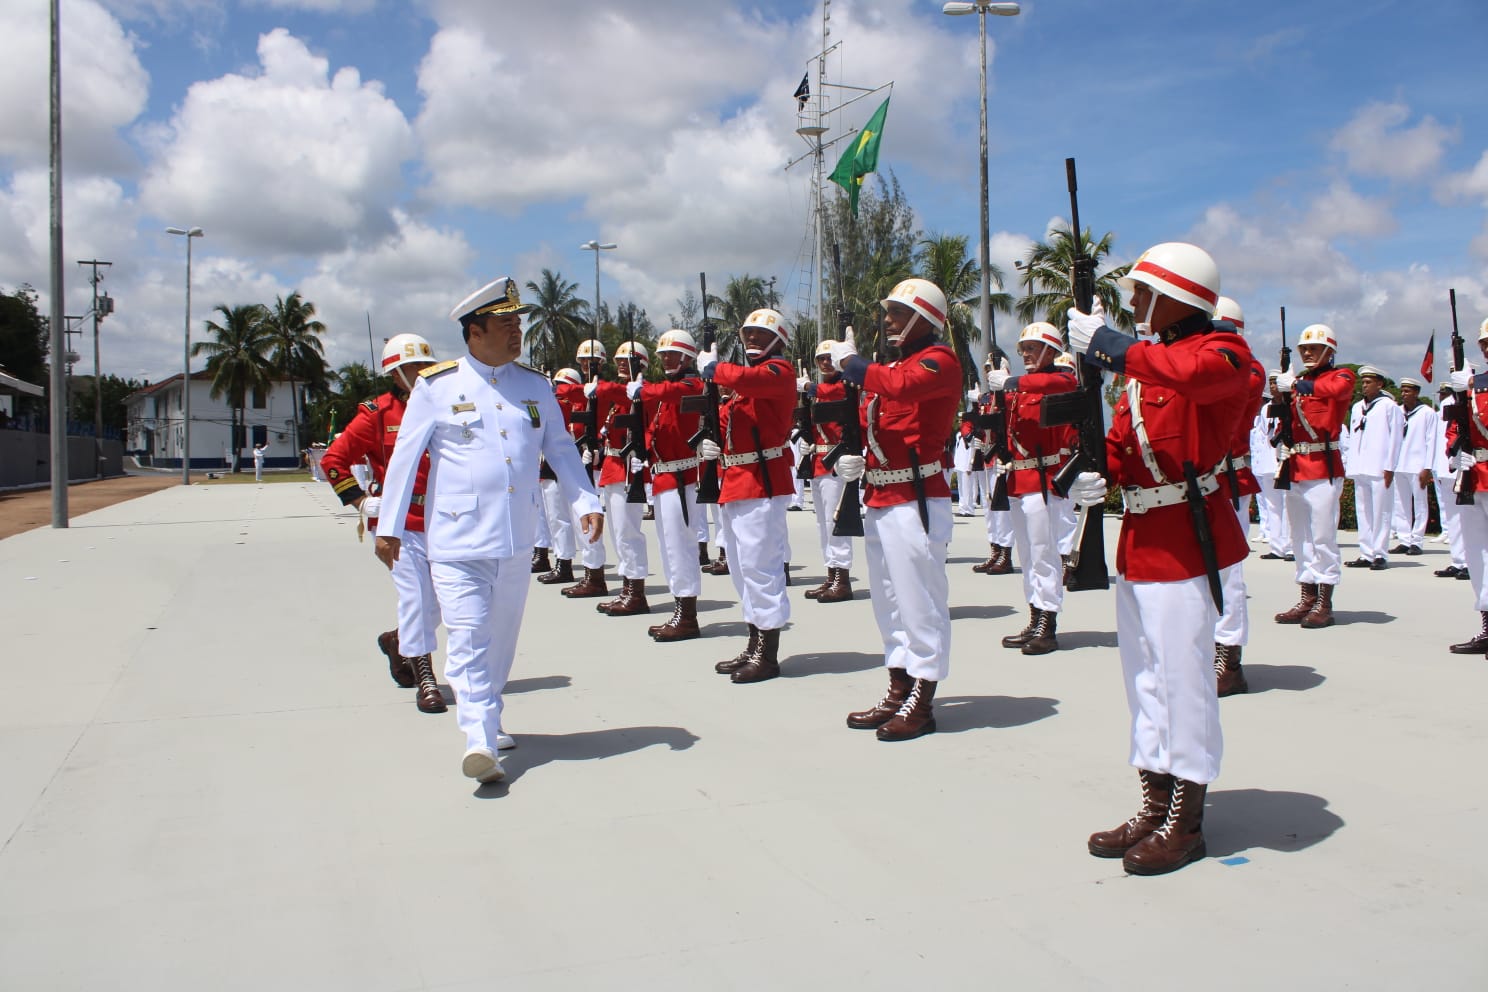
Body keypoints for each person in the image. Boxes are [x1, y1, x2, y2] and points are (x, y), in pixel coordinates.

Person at [1065, 242, 1254, 875]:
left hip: (1185, 539)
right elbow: (1124, 447)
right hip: (1141, 539)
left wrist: (1114, 346)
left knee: (1183, 681)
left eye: (1145, 293)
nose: (1136, 304)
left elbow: (1200, 379)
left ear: (1179, 296)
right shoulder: (1146, 373)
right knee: (1144, 681)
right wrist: (1089, 475)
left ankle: (1188, 819)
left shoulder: (1224, 353)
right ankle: (1154, 802)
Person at [376, 276, 603, 785]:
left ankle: (489, 716)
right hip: (456, 539)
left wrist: (585, 498)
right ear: (475, 332)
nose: (517, 332)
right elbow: (404, 459)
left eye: (518, 323)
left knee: (500, 638)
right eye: (505, 324)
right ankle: (478, 739)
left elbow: (561, 449)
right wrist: (388, 527)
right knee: (470, 634)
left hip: (516, 537)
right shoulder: (436, 386)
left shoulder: (535, 386)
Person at [832, 278, 963, 741]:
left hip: (917, 499)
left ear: (925, 319)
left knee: (919, 601)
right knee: (889, 603)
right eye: (888, 310)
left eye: (898, 312)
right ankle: (898, 687)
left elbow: (900, 387)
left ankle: (923, 700)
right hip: (881, 496)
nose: (888, 319)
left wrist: (852, 364)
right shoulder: (893, 365)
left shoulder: (938, 361)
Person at [322, 332, 450, 715]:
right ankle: (426, 677)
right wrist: (360, 502)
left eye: (428, 366)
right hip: (399, 524)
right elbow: (333, 460)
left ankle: (399, 641)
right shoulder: (377, 414)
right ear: (396, 374)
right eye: (415, 368)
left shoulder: (448, 407)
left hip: (444, 520)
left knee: (445, 600)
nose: (424, 373)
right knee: (416, 597)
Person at [697, 308, 797, 683]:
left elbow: (745, 379)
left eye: (759, 333)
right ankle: (754, 642)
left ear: (778, 339)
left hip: (762, 480)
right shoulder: (743, 387)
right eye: (747, 333)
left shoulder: (777, 372)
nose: (751, 338)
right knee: (741, 570)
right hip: (735, 479)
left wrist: (714, 369)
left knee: (761, 567)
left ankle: (768, 655)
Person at [985, 321, 1076, 656]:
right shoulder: (1019, 389)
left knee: (1044, 554)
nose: (1025, 354)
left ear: (1051, 351)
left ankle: (1048, 625)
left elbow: (1061, 383)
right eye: (1023, 349)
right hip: (1018, 479)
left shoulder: (1060, 379)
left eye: (1033, 349)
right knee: (1027, 554)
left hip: (1044, 478)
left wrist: (1011, 381)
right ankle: (1034, 615)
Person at [1272, 324, 1355, 629]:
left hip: (1323, 466)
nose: (1307, 353)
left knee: (1322, 537)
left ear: (1329, 352)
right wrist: (1280, 394)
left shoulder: (1341, 375)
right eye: (1303, 349)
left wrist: (1294, 385)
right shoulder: (1298, 382)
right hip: (1295, 465)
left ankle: (1324, 602)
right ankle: (1307, 596)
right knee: (1300, 537)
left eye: (1314, 348)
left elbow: (1337, 391)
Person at [631, 329, 706, 640]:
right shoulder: (666, 390)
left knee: (681, 547)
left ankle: (687, 615)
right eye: (662, 355)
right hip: (663, 476)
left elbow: (669, 394)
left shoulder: (692, 384)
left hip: (683, 477)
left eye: (672, 354)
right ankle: (680, 608)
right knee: (669, 547)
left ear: (688, 358)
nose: (665, 359)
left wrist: (641, 390)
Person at [1210, 296, 1267, 697]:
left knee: (1227, 572)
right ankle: (1206, 649)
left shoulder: (1247, 369)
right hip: (1195, 479)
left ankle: (1229, 659)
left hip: (1227, 477)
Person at [589, 340, 651, 616]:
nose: (622, 365)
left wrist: (597, 383)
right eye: (619, 361)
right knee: (617, 531)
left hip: (629, 468)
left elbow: (624, 394)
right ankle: (627, 588)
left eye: (629, 361)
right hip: (613, 465)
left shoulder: (640, 391)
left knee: (628, 531)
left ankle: (636, 592)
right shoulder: (620, 396)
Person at [802, 339, 857, 603]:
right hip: (820, 460)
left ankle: (842, 579)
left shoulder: (843, 387)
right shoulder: (819, 391)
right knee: (823, 523)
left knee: (837, 521)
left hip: (838, 459)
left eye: (829, 357)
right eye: (821, 359)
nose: (825, 362)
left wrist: (810, 388)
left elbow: (831, 395)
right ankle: (831, 573)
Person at [1444, 320, 1488, 652]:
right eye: (1484, 343)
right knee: (1478, 555)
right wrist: (1454, 453)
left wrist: (1471, 385)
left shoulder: (1476, 384)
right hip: (1473, 475)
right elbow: (1456, 425)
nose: (1487, 348)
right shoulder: (1475, 385)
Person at [560, 339, 614, 599]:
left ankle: (595, 575)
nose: (585, 365)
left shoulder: (601, 389)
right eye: (582, 361)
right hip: (578, 457)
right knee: (576, 516)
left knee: (590, 517)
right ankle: (591, 573)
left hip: (595, 460)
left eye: (591, 361)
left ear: (601, 363)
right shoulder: (585, 391)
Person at [1343, 365, 1403, 571]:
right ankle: (1366, 552)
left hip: (1379, 466)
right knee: (1364, 512)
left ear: (1380, 384)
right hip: (1360, 466)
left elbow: (1396, 438)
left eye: (1369, 382)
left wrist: (1390, 466)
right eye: (1363, 382)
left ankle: (1379, 553)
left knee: (1381, 512)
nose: (1365, 385)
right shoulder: (1358, 406)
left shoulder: (1389, 406)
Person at [535, 367, 583, 585]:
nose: (558, 390)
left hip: (563, 465)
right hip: (549, 464)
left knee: (561, 517)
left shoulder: (565, 405)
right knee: (552, 516)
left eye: (562, 386)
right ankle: (560, 560)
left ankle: (565, 563)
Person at [1391, 376, 1436, 557]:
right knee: (1400, 504)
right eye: (1402, 391)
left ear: (1416, 392)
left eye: (1407, 391)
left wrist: (1428, 466)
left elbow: (1431, 441)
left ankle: (1416, 541)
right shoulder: (1398, 412)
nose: (1403, 394)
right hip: (1399, 464)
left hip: (1417, 464)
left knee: (1419, 504)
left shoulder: (1427, 413)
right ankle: (1404, 539)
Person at [1431, 382, 1469, 580]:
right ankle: (1458, 561)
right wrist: (1434, 466)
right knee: (1453, 519)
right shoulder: (1447, 402)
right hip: (1445, 467)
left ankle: (1469, 563)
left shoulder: (1470, 400)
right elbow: (1436, 438)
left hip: (1465, 466)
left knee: (1467, 520)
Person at [1254, 372, 1293, 560]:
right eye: (1270, 383)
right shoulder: (1266, 408)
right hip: (1268, 462)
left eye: (1276, 382)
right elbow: (1263, 436)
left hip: (1285, 460)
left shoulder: (1291, 405)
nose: (1273, 386)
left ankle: (1290, 546)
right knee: (1273, 506)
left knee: (1288, 505)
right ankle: (1277, 546)